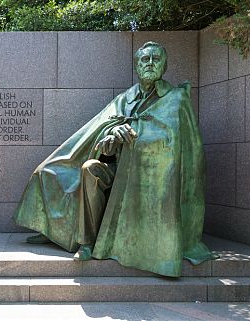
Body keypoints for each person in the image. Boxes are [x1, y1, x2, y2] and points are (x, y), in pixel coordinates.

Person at [13, 41, 216, 277]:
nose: (150, 63)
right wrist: (111, 135)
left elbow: (180, 147)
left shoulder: (176, 99)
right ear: (136, 66)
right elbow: (100, 131)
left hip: (147, 175)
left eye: (155, 59)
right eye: (144, 59)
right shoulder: (124, 99)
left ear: (165, 65)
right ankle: (84, 241)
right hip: (115, 166)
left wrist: (136, 136)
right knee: (74, 170)